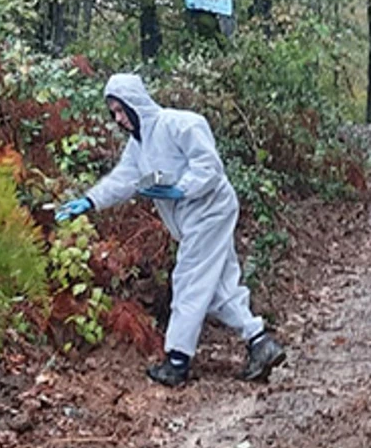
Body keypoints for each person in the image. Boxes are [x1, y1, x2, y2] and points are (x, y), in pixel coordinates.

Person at [54, 72, 287, 387]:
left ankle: (177, 361)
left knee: (189, 280)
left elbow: (209, 166)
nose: (119, 119)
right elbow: (124, 180)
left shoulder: (181, 124)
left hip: (209, 212)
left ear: (136, 103)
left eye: (121, 110)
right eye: (114, 113)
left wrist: (181, 188)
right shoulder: (139, 146)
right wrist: (89, 200)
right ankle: (260, 342)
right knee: (219, 286)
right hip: (194, 219)